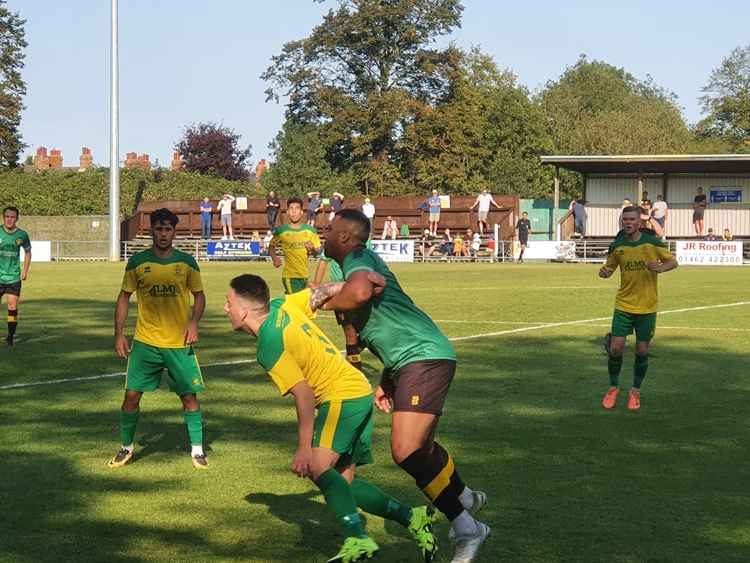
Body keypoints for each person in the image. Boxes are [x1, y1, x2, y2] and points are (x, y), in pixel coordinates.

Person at [224, 275, 439, 563]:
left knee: (318, 466)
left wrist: (303, 449)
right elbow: (322, 292)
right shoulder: (281, 305)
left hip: (342, 397)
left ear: (243, 310)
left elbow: (303, 394)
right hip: (356, 389)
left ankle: (358, 539)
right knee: (343, 482)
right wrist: (360, 285)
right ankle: (412, 518)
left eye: (228, 303)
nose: (226, 309)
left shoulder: (269, 344)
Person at [322, 209, 490, 563]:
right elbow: (377, 319)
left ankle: (467, 527)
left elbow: (359, 294)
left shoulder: (359, 257)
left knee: (406, 449)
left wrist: (316, 298)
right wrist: (387, 375)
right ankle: (462, 496)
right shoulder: (353, 264)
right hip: (410, 360)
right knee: (422, 447)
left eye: (330, 228)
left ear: (347, 237)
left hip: (423, 357)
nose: (324, 231)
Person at [109, 208, 208, 469]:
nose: (163, 234)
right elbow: (123, 297)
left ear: (174, 232)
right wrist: (119, 334)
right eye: (159, 228)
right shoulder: (137, 262)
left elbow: (199, 296)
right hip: (145, 342)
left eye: (168, 229)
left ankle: (197, 450)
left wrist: (194, 322)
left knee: (189, 396)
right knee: (131, 396)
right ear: (151, 230)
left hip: (179, 343)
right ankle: (126, 447)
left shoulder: (187, 262)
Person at [599, 206, 678, 412]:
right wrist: (604, 272)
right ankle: (613, 387)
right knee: (615, 348)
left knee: (642, 350)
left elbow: (673, 262)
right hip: (623, 305)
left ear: (639, 222)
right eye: (625, 219)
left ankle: (635, 390)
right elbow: (609, 267)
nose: (628, 222)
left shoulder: (651, 243)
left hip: (647, 306)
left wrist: (660, 268)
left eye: (632, 219)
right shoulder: (617, 246)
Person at [269, 197, 321, 294]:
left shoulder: (310, 231)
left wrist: (312, 249)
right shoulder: (281, 231)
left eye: (296, 208)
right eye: (291, 209)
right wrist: (274, 257)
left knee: (300, 305)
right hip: (290, 276)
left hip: (304, 275)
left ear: (301, 212)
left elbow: (317, 252)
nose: (294, 211)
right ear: (287, 212)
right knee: (295, 303)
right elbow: (271, 246)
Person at [0, 206, 31, 346]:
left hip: (13, 277)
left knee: (12, 307)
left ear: (17, 219)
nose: (9, 219)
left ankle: (10, 336)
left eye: (12, 217)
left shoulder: (22, 235)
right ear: (3, 217)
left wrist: (25, 271)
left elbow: (28, 252)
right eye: (7, 216)